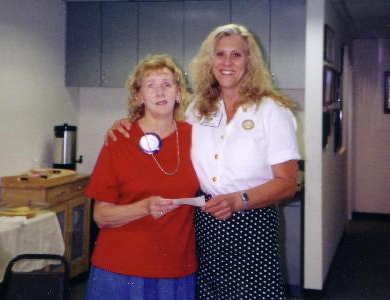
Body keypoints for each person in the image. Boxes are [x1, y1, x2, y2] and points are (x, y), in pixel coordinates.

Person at [106, 24, 300, 300]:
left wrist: (237, 200)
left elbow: (287, 183)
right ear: (210, 62)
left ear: (250, 61)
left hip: (252, 223)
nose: (227, 62)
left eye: (237, 55)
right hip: (204, 221)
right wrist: (126, 123)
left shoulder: (271, 111)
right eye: (220, 54)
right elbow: (162, 127)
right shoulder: (198, 108)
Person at [85, 54, 199, 300]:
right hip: (120, 269)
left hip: (175, 267)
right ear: (139, 96)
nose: (160, 92)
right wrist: (144, 207)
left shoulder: (196, 137)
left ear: (179, 93)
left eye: (167, 84)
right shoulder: (119, 140)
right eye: (151, 85)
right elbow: (101, 216)